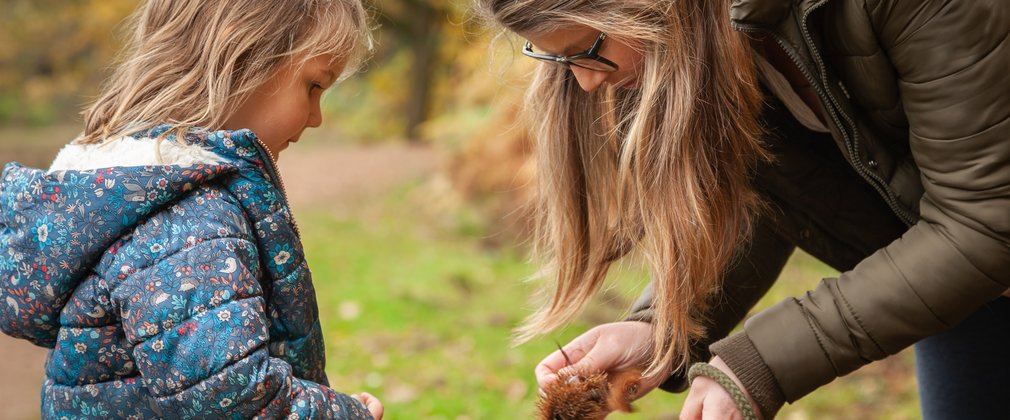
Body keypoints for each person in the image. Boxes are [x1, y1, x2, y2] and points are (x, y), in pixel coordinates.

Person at [474, 0, 1010, 418]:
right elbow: (775, 196)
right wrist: (665, 327)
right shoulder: (701, 40)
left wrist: (763, 362)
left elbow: (986, 220)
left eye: (588, 47)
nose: (587, 81)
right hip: (959, 293)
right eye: (556, 57)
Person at [0, 0, 384, 418]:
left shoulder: (135, 190)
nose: (316, 118)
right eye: (313, 86)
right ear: (241, 59)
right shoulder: (186, 220)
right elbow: (234, 400)